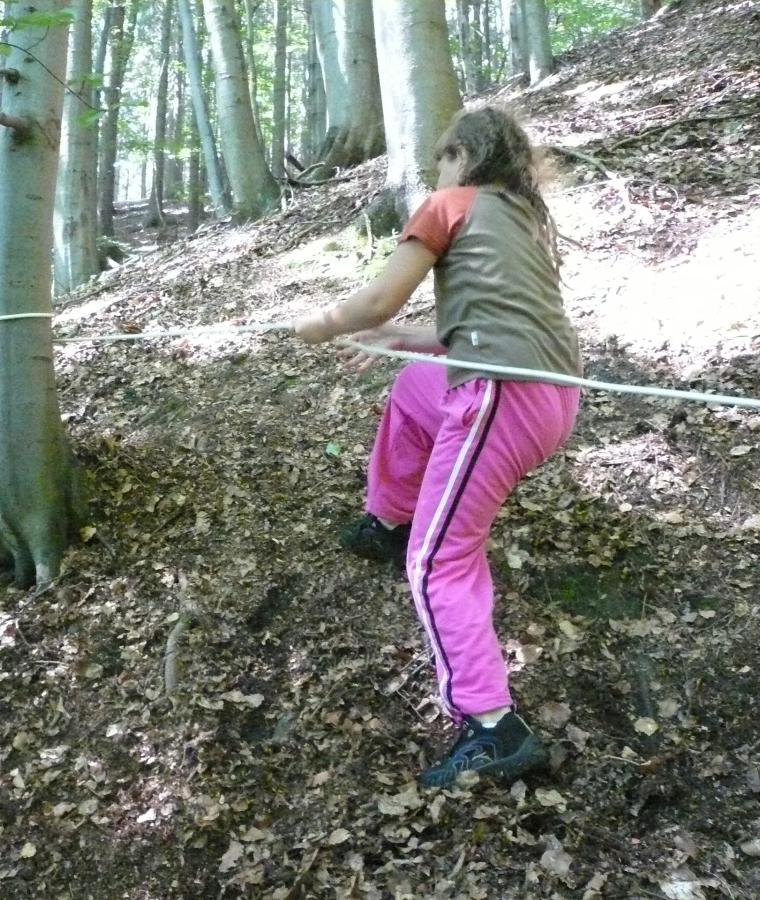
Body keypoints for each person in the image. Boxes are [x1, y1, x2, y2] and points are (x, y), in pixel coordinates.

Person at [293, 106, 582, 787]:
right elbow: (487, 325)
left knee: (438, 563)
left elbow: (377, 301)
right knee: (415, 386)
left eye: (442, 160)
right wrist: (399, 342)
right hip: (547, 396)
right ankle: (388, 521)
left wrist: (318, 324)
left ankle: (492, 726)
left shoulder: (450, 204)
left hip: (502, 399)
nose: (437, 174)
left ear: (464, 156)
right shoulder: (519, 217)